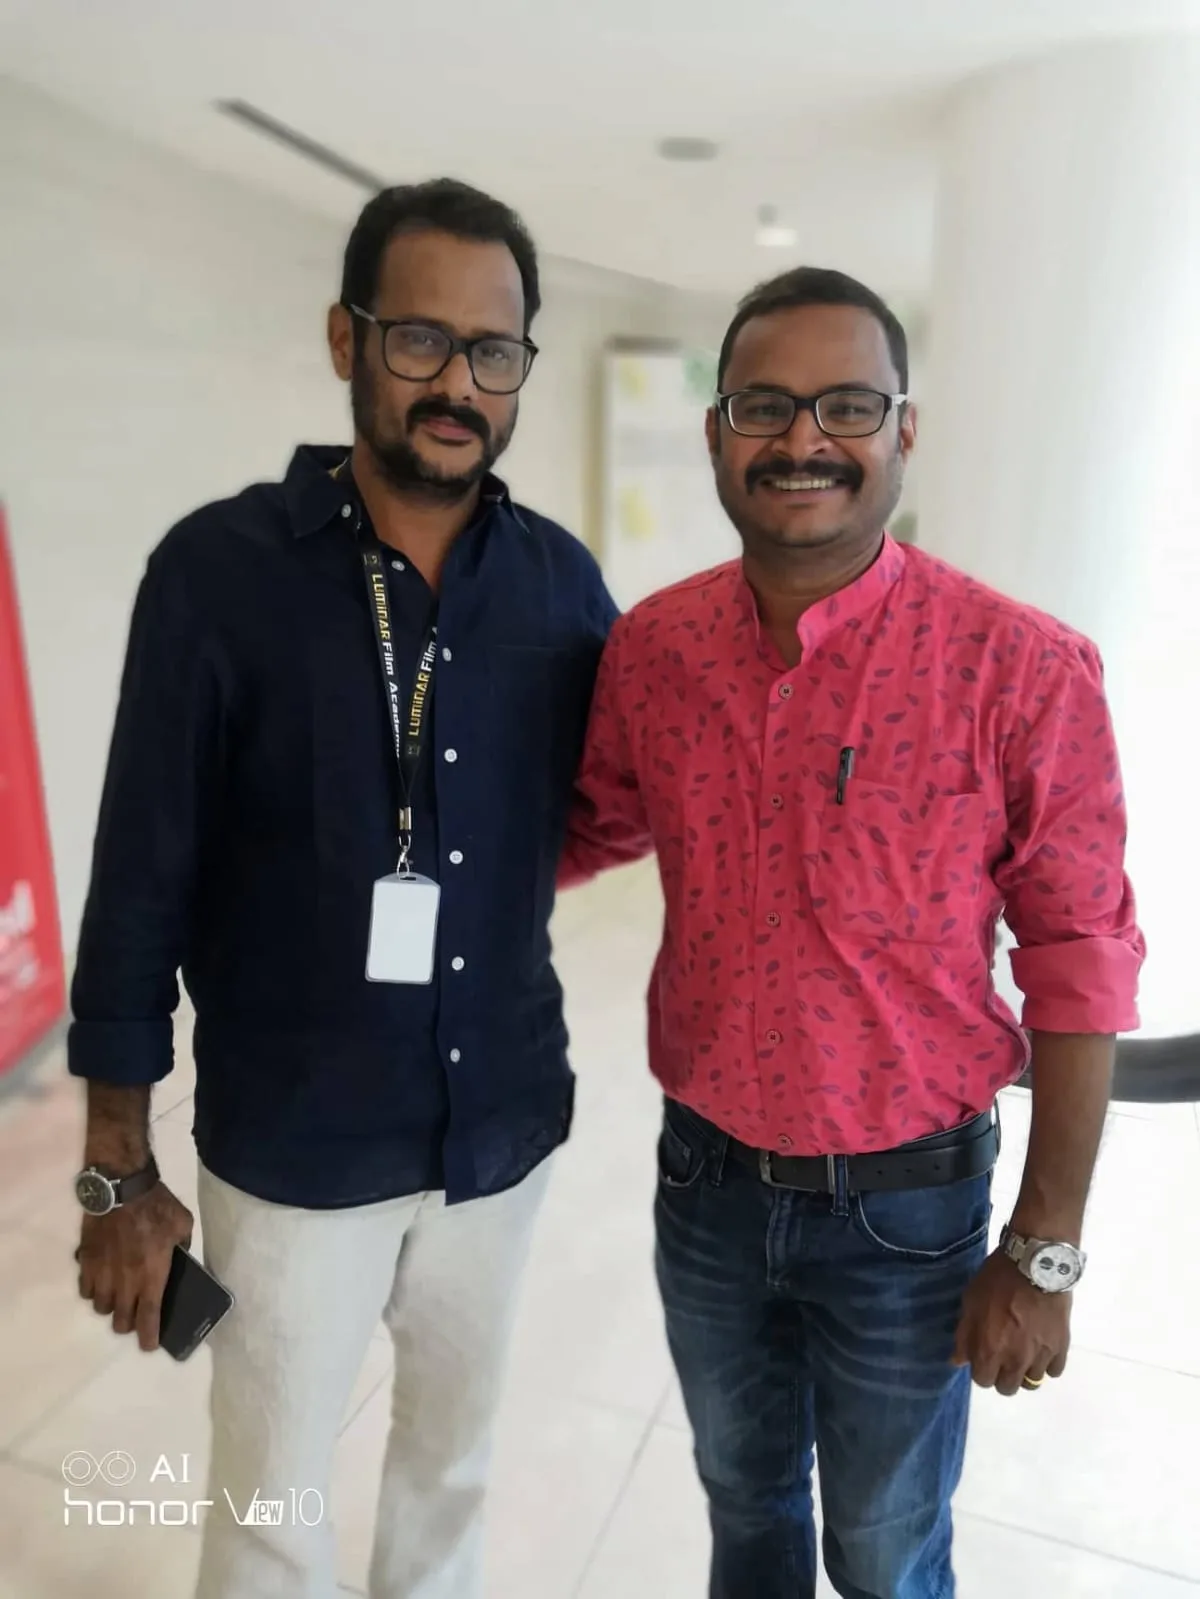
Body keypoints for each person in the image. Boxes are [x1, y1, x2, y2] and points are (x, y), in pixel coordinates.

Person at [68, 178, 617, 1599]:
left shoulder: (561, 587)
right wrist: (118, 1164)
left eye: (494, 352)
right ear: (345, 338)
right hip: (294, 1152)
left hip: (498, 1131)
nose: (459, 384)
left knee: (453, 1467)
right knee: (271, 1501)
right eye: (421, 338)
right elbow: (139, 873)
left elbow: (609, 801)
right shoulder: (219, 571)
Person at [562, 266, 1144, 1599]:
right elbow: (589, 823)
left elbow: (1082, 961)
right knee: (744, 1508)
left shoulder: (1019, 668)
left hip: (909, 1213)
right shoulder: (655, 652)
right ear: (717, 431)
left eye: (847, 405)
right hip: (705, 1186)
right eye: (764, 405)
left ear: (903, 429)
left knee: (885, 1550)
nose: (804, 438)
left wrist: (1042, 1248)